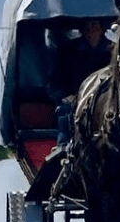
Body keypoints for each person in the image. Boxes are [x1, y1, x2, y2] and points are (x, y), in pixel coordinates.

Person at [46, 18, 113, 149]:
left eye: (94, 23)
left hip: (107, 101)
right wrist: (64, 96)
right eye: (86, 24)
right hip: (75, 101)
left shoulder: (115, 50)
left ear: (102, 27)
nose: (90, 28)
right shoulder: (65, 50)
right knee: (65, 111)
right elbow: (53, 81)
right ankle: (64, 150)